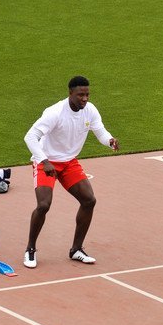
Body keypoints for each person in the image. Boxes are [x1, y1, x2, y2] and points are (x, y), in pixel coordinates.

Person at [23, 76, 119, 268]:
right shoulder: (55, 112)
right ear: (70, 94)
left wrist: (109, 141)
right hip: (46, 162)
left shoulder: (90, 110)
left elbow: (100, 131)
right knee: (43, 205)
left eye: (87, 94)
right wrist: (44, 160)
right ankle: (30, 249)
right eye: (80, 95)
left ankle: (76, 249)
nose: (84, 99)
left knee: (89, 200)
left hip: (68, 162)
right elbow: (30, 137)